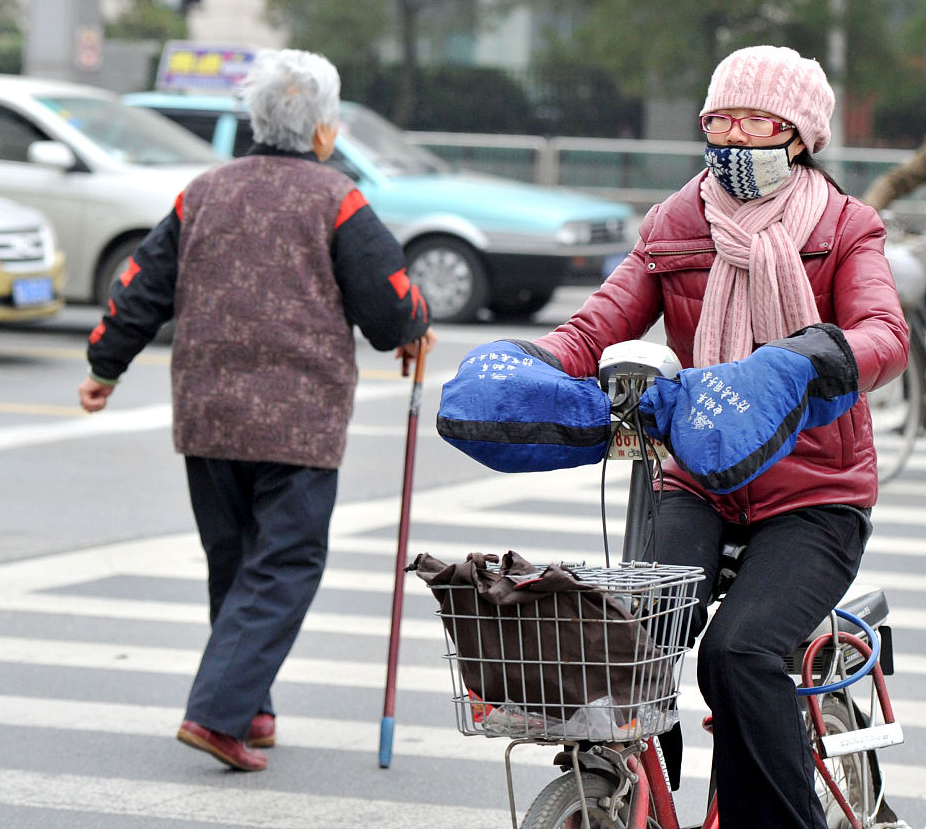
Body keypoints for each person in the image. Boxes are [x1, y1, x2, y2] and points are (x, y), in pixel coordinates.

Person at [528, 46, 909, 828]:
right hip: (700, 478)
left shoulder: (846, 226)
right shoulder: (675, 221)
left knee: (737, 652)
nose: (733, 137)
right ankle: (628, 788)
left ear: (797, 135)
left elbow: (885, 335)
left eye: (755, 122)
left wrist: (810, 358)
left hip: (815, 492)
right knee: (632, 637)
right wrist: (530, 363)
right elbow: (599, 324)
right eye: (720, 120)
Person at [77, 48, 436, 772]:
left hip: (208, 413)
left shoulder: (203, 191)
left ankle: (250, 708)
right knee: (286, 563)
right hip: (297, 420)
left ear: (256, 121)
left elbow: (140, 285)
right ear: (325, 130)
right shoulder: (335, 197)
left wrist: (104, 366)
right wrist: (412, 327)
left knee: (236, 561)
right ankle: (216, 714)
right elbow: (389, 297)